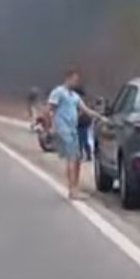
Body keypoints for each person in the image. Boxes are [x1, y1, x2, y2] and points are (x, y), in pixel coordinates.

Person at [47, 69, 106, 200]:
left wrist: (99, 117)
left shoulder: (74, 96)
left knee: (77, 159)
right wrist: (52, 126)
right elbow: (50, 109)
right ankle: (72, 189)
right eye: (74, 79)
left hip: (73, 129)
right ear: (68, 78)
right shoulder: (58, 92)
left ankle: (75, 187)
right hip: (64, 129)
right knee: (72, 158)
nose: (76, 82)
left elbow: (86, 110)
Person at [72, 85, 94, 162]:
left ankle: (83, 155)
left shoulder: (80, 100)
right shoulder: (83, 100)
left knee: (81, 140)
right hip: (83, 122)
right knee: (82, 139)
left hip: (82, 122)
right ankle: (85, 154)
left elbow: (81, 112)